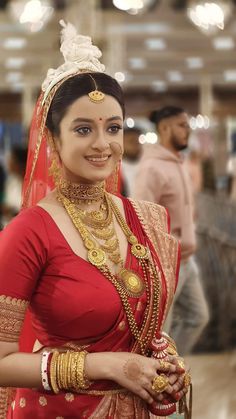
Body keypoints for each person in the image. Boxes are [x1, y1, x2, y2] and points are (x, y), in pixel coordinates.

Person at [0, 22, 191, 418]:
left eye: (114, 128)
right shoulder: (28, 232)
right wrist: (106, 365)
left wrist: (163, 361)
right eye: (83, 129)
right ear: (53, 140)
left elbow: (144, 331)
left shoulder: (145, 218)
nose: (103, 144)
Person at [133, 106, 209, 356]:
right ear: (164, 128)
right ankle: (159, 376)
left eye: (187, 125)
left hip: (187, 260)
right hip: (165, 263)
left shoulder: (178, 163)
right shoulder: (151, 168)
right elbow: (142, 218)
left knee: (197, 317)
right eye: (181, 125)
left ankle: (170, 365)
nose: (187, 131)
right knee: (159, 329)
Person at [2, 145, 28, 224]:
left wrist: (14, 212)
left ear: (19, 163)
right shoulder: (11, 182)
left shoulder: (33, 185)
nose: (8, 163)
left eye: (12, 159)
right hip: (7, 225)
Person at [121, 127, 142, 197]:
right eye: (131, 141)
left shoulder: (146, 166)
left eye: (137, 142)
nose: (136, 145)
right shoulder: (115, 169)